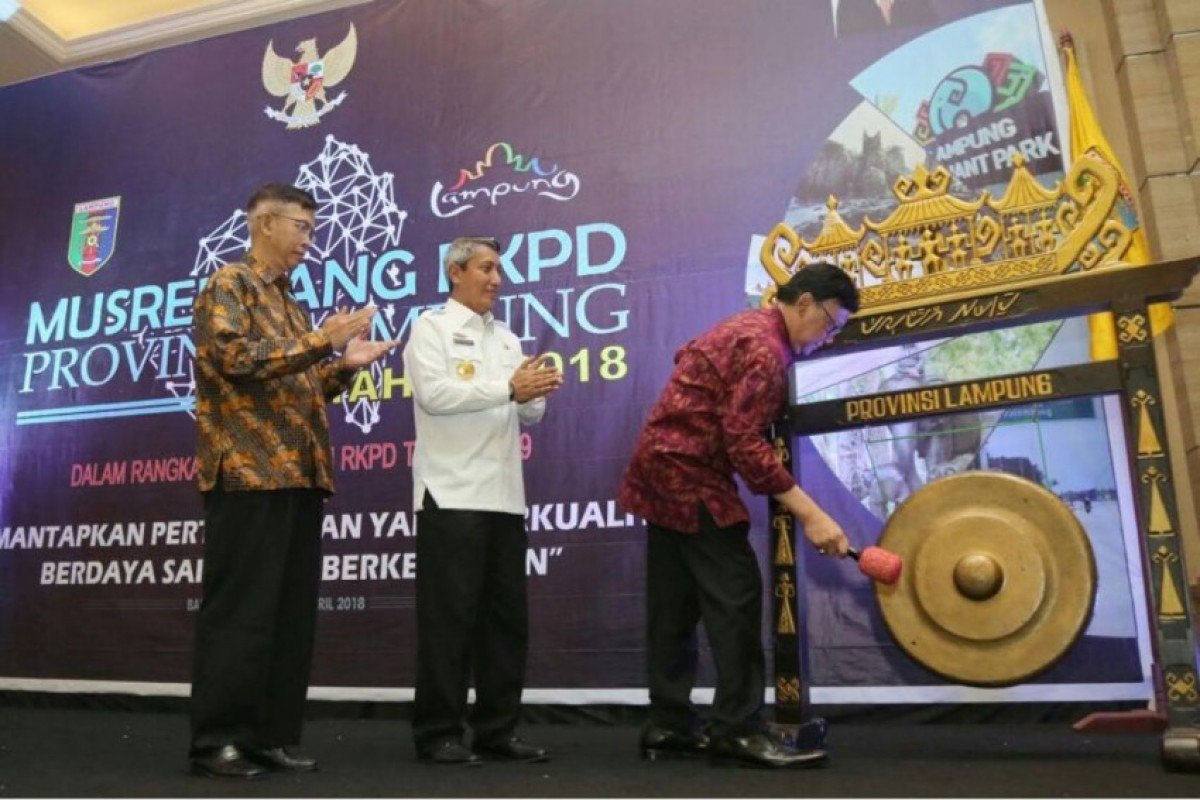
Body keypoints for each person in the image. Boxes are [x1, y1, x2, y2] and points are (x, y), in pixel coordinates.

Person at [189, 183, 396, 779]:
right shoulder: (230, 284)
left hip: (300, 475)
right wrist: (320, 341)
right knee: (242, 613)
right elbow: (235, 360)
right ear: (265, 224)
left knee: (287, 617)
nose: (309, 240)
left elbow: (300, 388)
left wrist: (343, 367)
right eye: (301, 227)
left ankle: (269, 737)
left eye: (312, 228)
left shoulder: (291, 302)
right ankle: (218, 741)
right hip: (247, 474)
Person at [618, 261, 859, 769]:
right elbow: (744, 444)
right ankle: (738, 731)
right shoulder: (767, 351)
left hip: (658, 468)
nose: (827, 338)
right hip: (689, 475)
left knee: (675, 604)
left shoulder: (745, 325)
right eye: (830, 325)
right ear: (805, 303)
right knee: (736, 598)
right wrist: (812, 514)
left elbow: (688, 357)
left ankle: (668, 724)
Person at [403, 236, 564, 766]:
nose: (496, 279)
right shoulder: (431, 328)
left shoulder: (508, 338)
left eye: (499, 270)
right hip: (451, 493)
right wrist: (509, 389)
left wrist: (535, 390)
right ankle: (438, 734)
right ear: (455, 272)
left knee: (505, 623)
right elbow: (435, 396)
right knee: (449, 622)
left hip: (505, 498)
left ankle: (497, 731)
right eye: (486, 268)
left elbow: (527, 414)